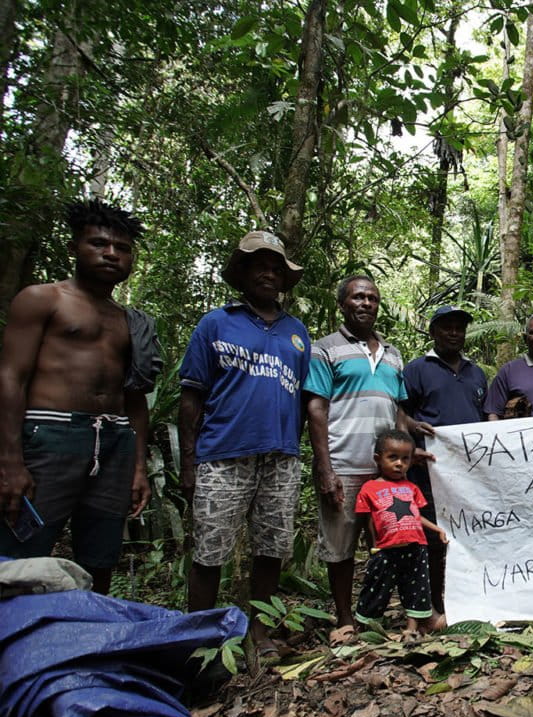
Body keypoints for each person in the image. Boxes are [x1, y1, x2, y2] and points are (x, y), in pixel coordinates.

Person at [0, 200, 161, 594]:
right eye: (99, 244)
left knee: (101, 552)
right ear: (74, 247)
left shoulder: (129, 320)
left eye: (121, 249)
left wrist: (138, 466)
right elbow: (10, 377)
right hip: (51, 435)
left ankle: (89, 639)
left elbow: (135, 396)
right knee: (23, 549)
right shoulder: (43, 299)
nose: (111, 254)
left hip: (114, 441)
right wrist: (10, 461)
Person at [179, 231, 309, 657]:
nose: (269, 274)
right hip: (222, 454)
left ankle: (260, 632)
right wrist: (188, 462)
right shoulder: (216, 322)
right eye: (260, 266)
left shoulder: (297, 334)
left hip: (281, 457)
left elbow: (305, 400)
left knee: (271, 548)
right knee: (210, 550)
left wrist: (293, 445)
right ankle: (197, 640)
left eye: (276, 268)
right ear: (243, 273)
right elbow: (192, 395)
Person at [304, 275, 430, 629]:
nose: (366, 304)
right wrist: (324, 467)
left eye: (372, 298)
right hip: (343, 462)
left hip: (387, 473)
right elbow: (316, 408)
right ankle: (345, 620)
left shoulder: (393, 354)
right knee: (340, 546)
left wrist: (411, 445)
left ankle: (378, 614)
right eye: (358, 297)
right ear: (342, 304)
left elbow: (397, 411)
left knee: (394, 543)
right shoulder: (324, 348)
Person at [402, 305, 488, 618]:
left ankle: (470, 599)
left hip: (469, 475)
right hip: (429, 472)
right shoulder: (416, 369)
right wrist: (413, 431)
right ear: (433, 332)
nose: (454, 333)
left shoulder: (477, 373)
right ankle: (433, 605)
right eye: (446, 327)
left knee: (471, 535)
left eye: (459, 327)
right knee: (433, 540)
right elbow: (400, 413)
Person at [355, 430, 447, 637]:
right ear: (378, 459)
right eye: (393, 458)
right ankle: (368, 626)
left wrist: (437, 529)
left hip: (416, 547)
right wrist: (373, 546)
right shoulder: (369, 488)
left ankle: (412, 628)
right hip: (386, 549)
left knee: (416, 587)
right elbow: (367, 520)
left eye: (405, 459)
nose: (399, 464)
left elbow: (416, 515)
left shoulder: (411, 487)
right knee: (377, 587)